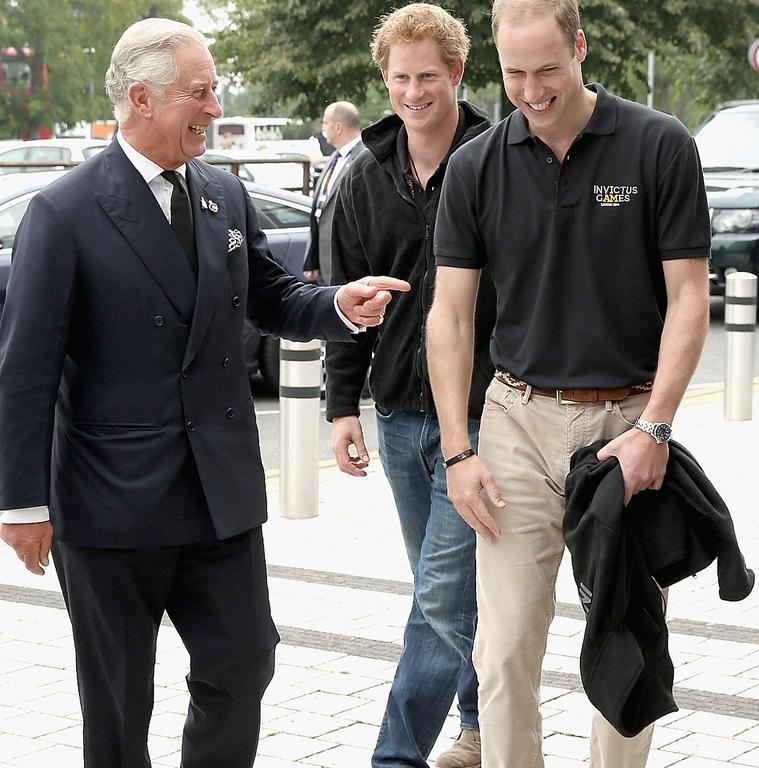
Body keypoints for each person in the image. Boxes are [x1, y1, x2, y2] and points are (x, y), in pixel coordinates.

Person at [0, 18, 408, 768]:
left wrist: (339, 306)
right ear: (142, 97)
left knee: (244, 663)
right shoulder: (64, 212)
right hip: (111, 502)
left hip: (219, 492)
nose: (216, 107)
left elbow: (272, 293)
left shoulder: (222, 192)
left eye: (215, 90)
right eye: (202, 91)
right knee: (119, 699)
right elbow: (25, 369)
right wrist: (22, 503)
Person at [426, 1, 711, 766]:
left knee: (626, 637)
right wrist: (459, 452)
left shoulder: (659, 146)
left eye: (548, 68)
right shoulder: (474, 167)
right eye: (514, 73)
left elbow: (689, 296)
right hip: (516, 419)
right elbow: (450, 317)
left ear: (580, 47)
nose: (531, 89)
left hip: (626, 423)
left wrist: (655, 427)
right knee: (507, 645)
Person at [325, 5, 494, 767]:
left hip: (486, 416)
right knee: (447, 591)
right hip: (396, 416)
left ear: (457, 73)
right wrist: (339, 408)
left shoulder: (501, 159)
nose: (415, 91)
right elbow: (346, 298)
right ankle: (479, 722)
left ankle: (395, 757)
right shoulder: (363, 174)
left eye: (430, 75)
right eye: (401, 77)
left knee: (438, 595)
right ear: (383, 79)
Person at [303, 101, 363, 285]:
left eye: (325, 123)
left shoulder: (365, 158)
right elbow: (320, 211)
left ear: (338, 127)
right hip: (325, 262)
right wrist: (312, 259)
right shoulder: (335, 158)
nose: (323, 129)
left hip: (350, 266)